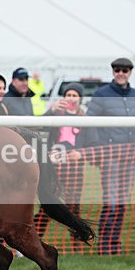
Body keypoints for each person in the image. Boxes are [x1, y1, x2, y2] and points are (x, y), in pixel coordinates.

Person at [71, 57, 135, 255]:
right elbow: (89, 123)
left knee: (122, 202)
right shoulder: (101, 94)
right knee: (111, 202)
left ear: (130, 72)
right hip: (110, 156)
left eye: (125, 70)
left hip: (129, 156)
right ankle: (104, 246)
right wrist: (98, 149)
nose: (121, 73)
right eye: (117, 69)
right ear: (113, 72)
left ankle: (114, 244)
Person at [40, 83, 86, 249]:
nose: (71, 98)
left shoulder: (84, 118)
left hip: (75, 169)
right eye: (68, 95)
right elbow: (40, 125)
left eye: (74, 95)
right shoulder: (56, 114)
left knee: (73, 206)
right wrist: (51, 110)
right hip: (54, 167)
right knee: (48, 203)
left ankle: (77, 242)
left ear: (80, 98)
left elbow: (91, 142)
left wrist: (81, 154)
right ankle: (34, 240)